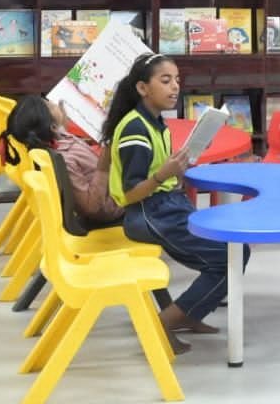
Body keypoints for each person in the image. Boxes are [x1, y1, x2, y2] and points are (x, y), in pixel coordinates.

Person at [103, 53, 250, 348]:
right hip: (148, 213)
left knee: (233, 250)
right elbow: (131, 194)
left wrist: (180, 165)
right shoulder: (135, 130)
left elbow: (160, 172)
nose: (175, 87)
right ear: (143, 88)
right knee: (230, 257)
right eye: (165, 80)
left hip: (166, 205)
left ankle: (189, 314)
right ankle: (162, 324)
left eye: (177, 80)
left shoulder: (155, 122)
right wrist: (163, 175)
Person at [1, 95, 123, 226]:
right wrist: (103, 165)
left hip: (116, 188)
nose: (53, 103)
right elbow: (91, 207)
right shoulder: (65, 160)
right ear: (53, 127)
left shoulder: (54, 139)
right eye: (50, 106)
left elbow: (62, 129)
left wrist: (62, 118)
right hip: (114, 209)